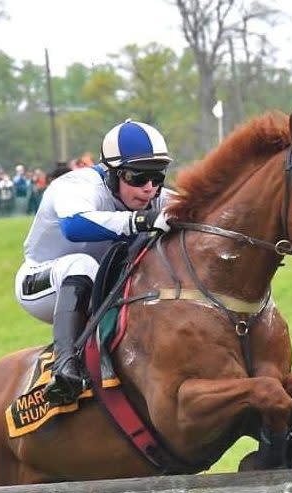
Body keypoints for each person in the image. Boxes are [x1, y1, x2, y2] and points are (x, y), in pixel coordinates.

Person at [14, 119, 174, 406]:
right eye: (138, 177)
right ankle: (65, 367)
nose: (150, 188)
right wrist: (142, 220)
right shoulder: (76, 185)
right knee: (82, 264)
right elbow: (75, 226)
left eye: (158, 176)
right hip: (40, 280)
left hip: (100, 287)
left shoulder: (154, 195)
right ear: (112, 175)